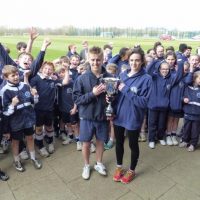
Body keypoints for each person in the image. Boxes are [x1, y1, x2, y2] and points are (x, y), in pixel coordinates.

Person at [112, 47, 152, 184]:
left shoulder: (147, 79)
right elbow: (116, 95)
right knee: (119, 143)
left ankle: (131, 170)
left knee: (133, 145)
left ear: (142, 62)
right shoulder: (122, 75)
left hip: (133, 117)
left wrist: (126, 90)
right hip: (118, 116)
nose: (134, 63)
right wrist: (110, 99)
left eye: (137, 60)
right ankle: (119, 167)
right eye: (131, 60)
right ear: (128, 60)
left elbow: (143, 102)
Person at [73, 46, 111, 180]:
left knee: (101, 141)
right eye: (93, 60)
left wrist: (111, 97)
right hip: (87, 117)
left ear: (103, 59)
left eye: (98, 60)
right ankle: (86, 165)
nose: (95, 63)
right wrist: (92, 94)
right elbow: (77, 99)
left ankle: (99, 163)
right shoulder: (81, 78)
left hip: (102, 116)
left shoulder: (110, 77)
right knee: (86, 143)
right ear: (88, 59)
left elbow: (115, 96)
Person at [1, 65, 42, 172]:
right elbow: (5, 112)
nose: (16, 77)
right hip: (15, 122)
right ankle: (16, 160)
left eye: (17, 74)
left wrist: (35, 95)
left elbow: (34, 102)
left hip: (29, 119)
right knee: (16, 141)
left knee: (30, 138)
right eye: (12, 75)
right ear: (6, 78)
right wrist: (12, 105)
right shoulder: (5, 91)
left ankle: (33, 158)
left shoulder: (25, 85)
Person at [30, 61, 70, 157]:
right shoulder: (36, 79)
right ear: (42, 69)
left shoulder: (53, 80)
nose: (47, 71)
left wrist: (67, 70)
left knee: (49, 126)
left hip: (50, 109)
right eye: (46, 69)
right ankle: (40, 146)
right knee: (39, 129)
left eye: (50, 69)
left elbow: (65, 82)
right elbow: (30, 88)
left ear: (53, 71)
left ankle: (50, 142)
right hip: (38, 109)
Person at [179, 71, 200, 151]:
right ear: (194, 79)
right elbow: (181, 97)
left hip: (197, 114)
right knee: (186, 128)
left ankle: (193, 144)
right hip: (188, 112)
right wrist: (184, 99)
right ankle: (185, 141)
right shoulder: (187, 87)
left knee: (195, 130)